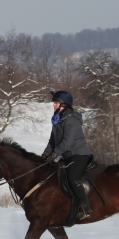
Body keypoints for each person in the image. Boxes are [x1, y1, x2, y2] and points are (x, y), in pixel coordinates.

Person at [41, 90, 92, 220]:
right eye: (54, 102)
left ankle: (86, 208)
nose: (53, 105)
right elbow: (52, 141)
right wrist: (44, 156)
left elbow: (67, 142)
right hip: (67, 156)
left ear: (64, 104)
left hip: (78, 154)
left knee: (72, 177)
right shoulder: (57, 120)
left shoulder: (71, 120)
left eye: (56, 102)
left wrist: (54, 155)